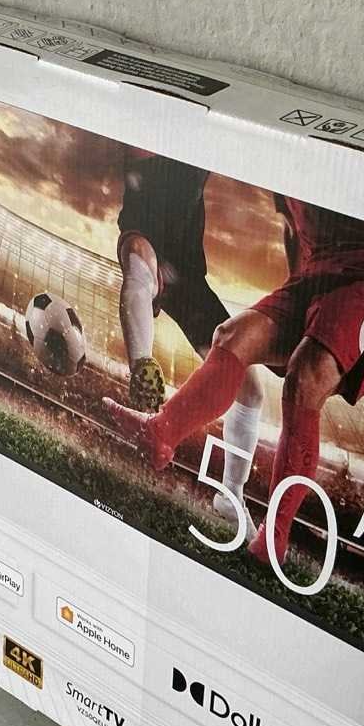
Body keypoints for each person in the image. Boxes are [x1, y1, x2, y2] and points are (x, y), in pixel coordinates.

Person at [105, 193, 364, 567]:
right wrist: (297, 298)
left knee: (304, 378)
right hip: (315, 271)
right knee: (231, 337)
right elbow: (292, 228)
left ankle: (274, 537)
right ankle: (160, 433)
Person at [114, 146, 262, 517]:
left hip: (186, 275)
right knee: (140, 263)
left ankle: (231, 497)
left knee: (250, 387)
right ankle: (143, 376)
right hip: (148, 231)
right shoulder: (151, 156)